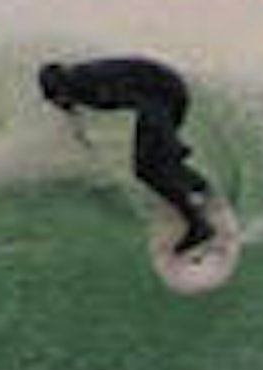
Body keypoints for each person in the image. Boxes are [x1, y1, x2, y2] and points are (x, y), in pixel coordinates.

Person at [38, 57, 215, 253]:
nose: (59, 103)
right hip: (159, 95)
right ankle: (201, 188)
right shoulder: (72, 88)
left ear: (65, 85)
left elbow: (148, 104)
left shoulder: (95, 83)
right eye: (52, 99)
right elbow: (73, 116)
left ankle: (199, 225)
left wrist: (171, 141)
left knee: (146, 169)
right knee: (157, 162)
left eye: (58, 96)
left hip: (166, 94)